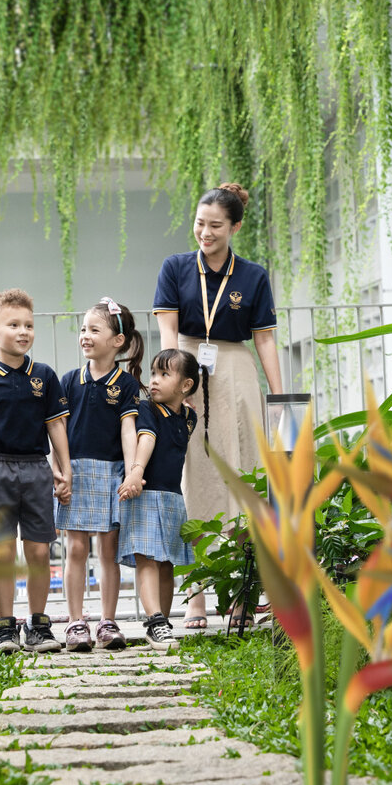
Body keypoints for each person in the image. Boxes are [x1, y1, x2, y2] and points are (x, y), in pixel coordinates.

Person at [153, 182, 283, 629]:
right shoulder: (174, 268)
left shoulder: (252, 275)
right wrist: (175, 381)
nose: (204, 233)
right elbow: (168, 332)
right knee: (194, 474)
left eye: (214, 226)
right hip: (188, 363)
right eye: (199, 223)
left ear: (235, 227)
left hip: (235, 369)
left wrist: (278, 394)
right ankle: (196, 597)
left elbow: (264, 337)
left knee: (243, 473)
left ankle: (243, 593)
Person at [0, 288, 72, 655]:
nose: (23, 331)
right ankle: (5, 629)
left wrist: (64, 469)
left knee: (38, 552)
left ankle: (38, 625)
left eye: (29, 325)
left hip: (36, 469)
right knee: (1, 554)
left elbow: (55, 426)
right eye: (14, 324)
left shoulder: (46, 377)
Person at [54, 297, 143, 653]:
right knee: (75, 548)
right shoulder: (68, 381)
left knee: (108, 550)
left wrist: (133, 472)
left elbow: (128, 431)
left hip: (112, 473)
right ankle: (76, 623)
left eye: (94, 329)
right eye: (83, 329)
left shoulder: (127, 385)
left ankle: (108, 622)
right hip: (74, 472)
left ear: (117, 340)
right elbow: (56, 428)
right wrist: (59, 470)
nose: (85, 336)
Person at [117, 349, 199, 649]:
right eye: (153, 373)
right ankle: (154, 620)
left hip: (172, 498)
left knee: (167, 564)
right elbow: (147, 437)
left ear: (186, 385)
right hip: (145, 494)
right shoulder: (147, 408)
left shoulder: (190, 416)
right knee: (147, 560)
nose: (154, 381)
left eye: (164, 375)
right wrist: (136, 472)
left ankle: (162, 622)